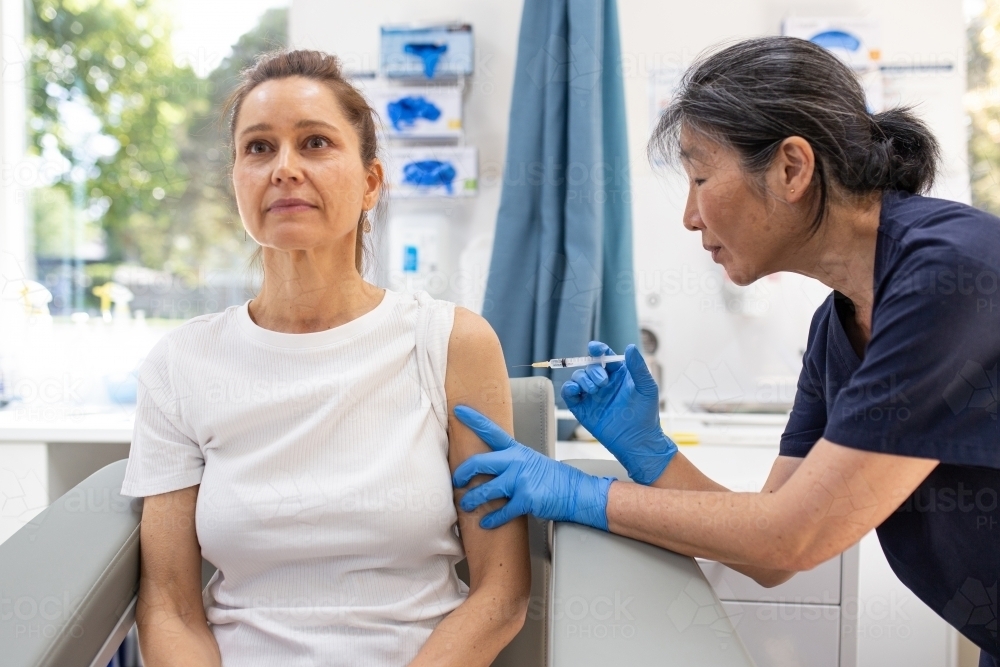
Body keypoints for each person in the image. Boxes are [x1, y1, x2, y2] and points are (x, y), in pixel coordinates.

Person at [452, 37, 1000, 665]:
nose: (690, 215)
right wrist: (649, 451)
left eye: (701, 177)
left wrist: (578, 493)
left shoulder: (952, 273)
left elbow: (789, 540)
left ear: (792, 168)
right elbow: (764, 548)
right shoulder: (837, 328)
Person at [121, 50, 530, 667]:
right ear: (236, 180)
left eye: (314, 143)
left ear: (370, 183)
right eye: (258, 148)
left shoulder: (452, 343)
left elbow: (501, 594)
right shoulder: (183, 363)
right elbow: (169, 607)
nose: (284, 168)